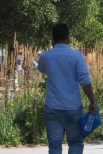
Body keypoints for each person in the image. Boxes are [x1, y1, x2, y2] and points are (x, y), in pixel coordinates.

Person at [37, 23, 96, 154]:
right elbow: (85, 82)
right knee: (75, 143)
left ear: (52, 39)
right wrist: (92, 101)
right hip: (72, 106)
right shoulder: (77, 56)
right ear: (68, 37)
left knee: (54, 145)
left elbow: (42, 69)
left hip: (52, 106)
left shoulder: (45, 56)